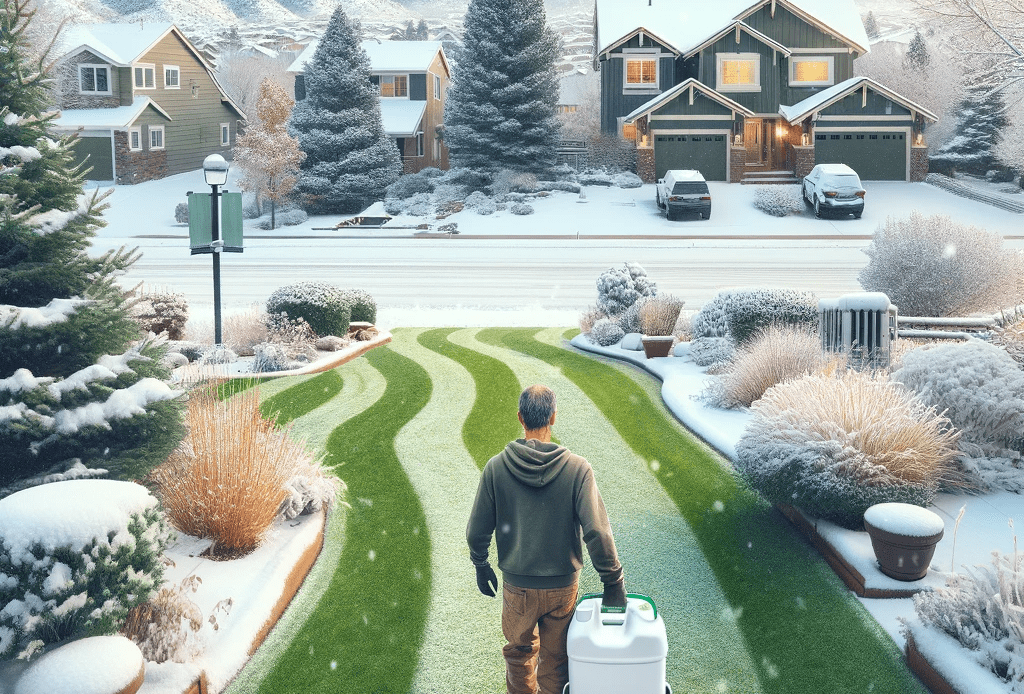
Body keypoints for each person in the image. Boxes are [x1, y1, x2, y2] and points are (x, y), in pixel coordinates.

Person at [467, 384, 625, 694]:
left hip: (518, 587)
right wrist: (613, 582)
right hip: (562, 587)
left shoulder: (496, 468)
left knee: (519, 658)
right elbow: (597, 532)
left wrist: (480, 563)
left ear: (520, 418)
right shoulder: (578, 470)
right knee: (556, 661)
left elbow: (477, 529)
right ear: (552, 418)